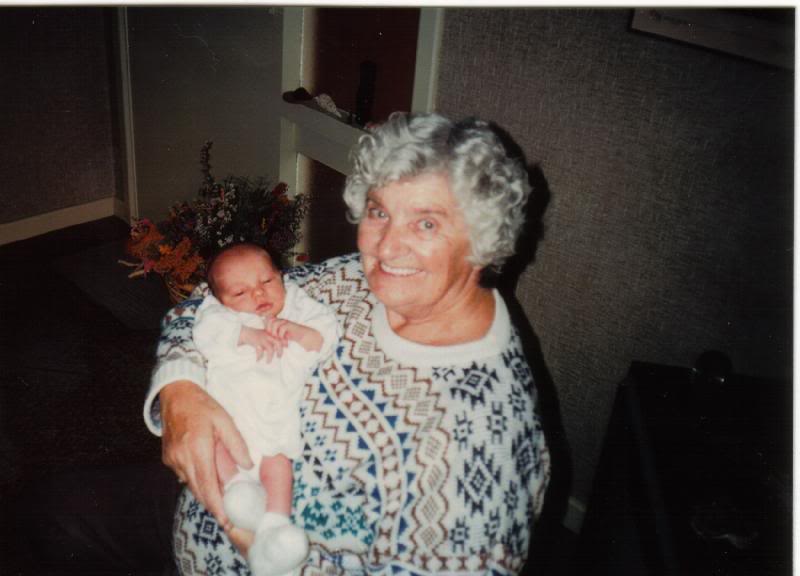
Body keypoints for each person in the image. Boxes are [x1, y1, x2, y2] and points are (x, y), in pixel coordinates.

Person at [144, 111, 551, 575]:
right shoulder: (350, 279)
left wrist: (245, 542)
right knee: (51, 514)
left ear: (482, 237)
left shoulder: (477, 446)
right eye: (380, 211)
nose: (387, 247)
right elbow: (204, 304)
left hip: (240, 548)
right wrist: (181, 394)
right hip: (193, 496)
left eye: (427, 224)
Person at [193, 242, 338, 576]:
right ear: (221, 299)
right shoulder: (218, 314)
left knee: (278, 463)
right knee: (213, 444)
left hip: (274, 417)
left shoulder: (297, 305)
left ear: (281, 276)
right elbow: (203, 333)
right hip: (227, 413)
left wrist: (299, 331)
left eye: (267, 282)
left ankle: (275, 525)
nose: (258, 295)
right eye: (241, 292)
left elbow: (325, 333)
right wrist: (245, 333)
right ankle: (236, 490)